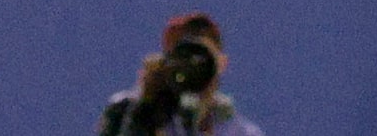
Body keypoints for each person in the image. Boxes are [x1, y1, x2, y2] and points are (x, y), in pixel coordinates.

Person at [99, 13, 264, 136]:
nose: (192, 66)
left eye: (202, 57)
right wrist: (145, 109)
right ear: (165, 62)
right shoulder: (126, 109)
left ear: (221, 63)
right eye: (182, 56)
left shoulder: (241, 132)